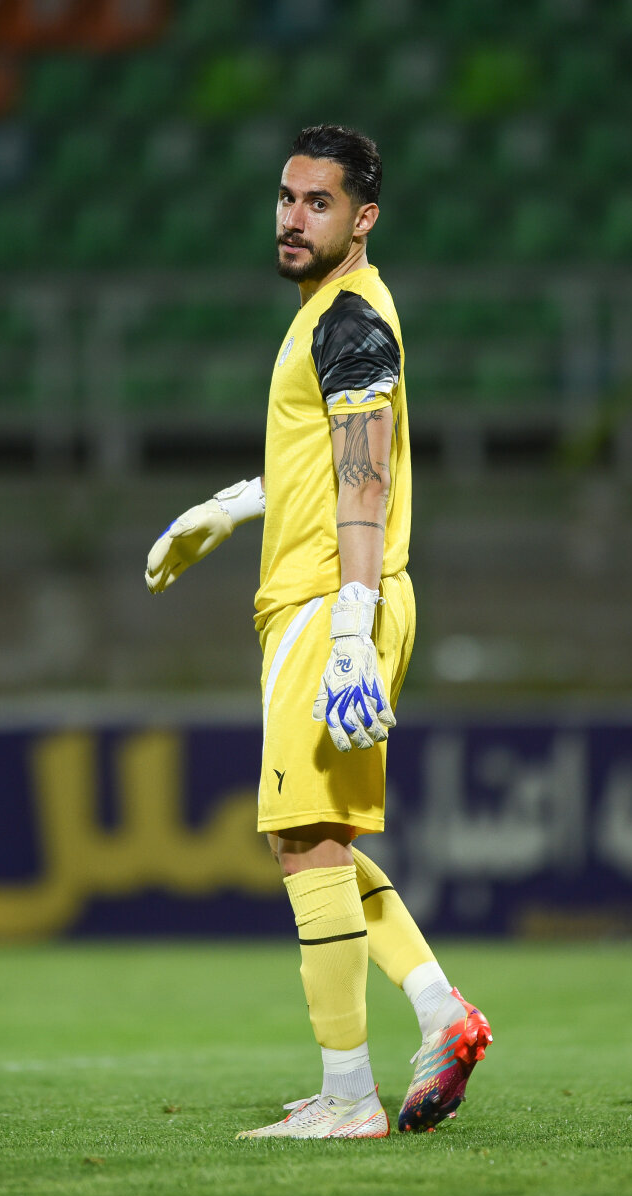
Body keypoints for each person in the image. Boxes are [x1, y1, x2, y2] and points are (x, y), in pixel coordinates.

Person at [145, 124, 491, 1140]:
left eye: (319, 203)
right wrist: (232, 507)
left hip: (330, 602)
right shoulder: (322, 318)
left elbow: (363, 479)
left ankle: (348, 1097)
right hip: (316, 599)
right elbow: (320, 458)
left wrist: (348, 628)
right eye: (287, 198)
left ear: (363, 217)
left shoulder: (350, 320)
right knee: (313, 840)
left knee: (302, 841)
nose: (294, 219)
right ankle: (439, 1010)